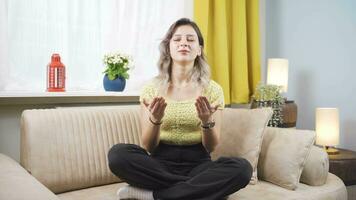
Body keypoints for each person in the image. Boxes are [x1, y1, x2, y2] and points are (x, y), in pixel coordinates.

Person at [108, 18, 252, 200]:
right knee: (118, 155)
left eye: (191, 39)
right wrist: (156, 120)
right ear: (169, 48)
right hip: (160, 163)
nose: (184, 43)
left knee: (242, 169)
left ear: (199, 50)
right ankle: (196, 190)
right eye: (177, 39)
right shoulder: (151, 89)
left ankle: (155, 195)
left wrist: (207, 122)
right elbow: (148, 146)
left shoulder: (213, 90)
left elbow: (211, 147)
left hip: (199, 163)